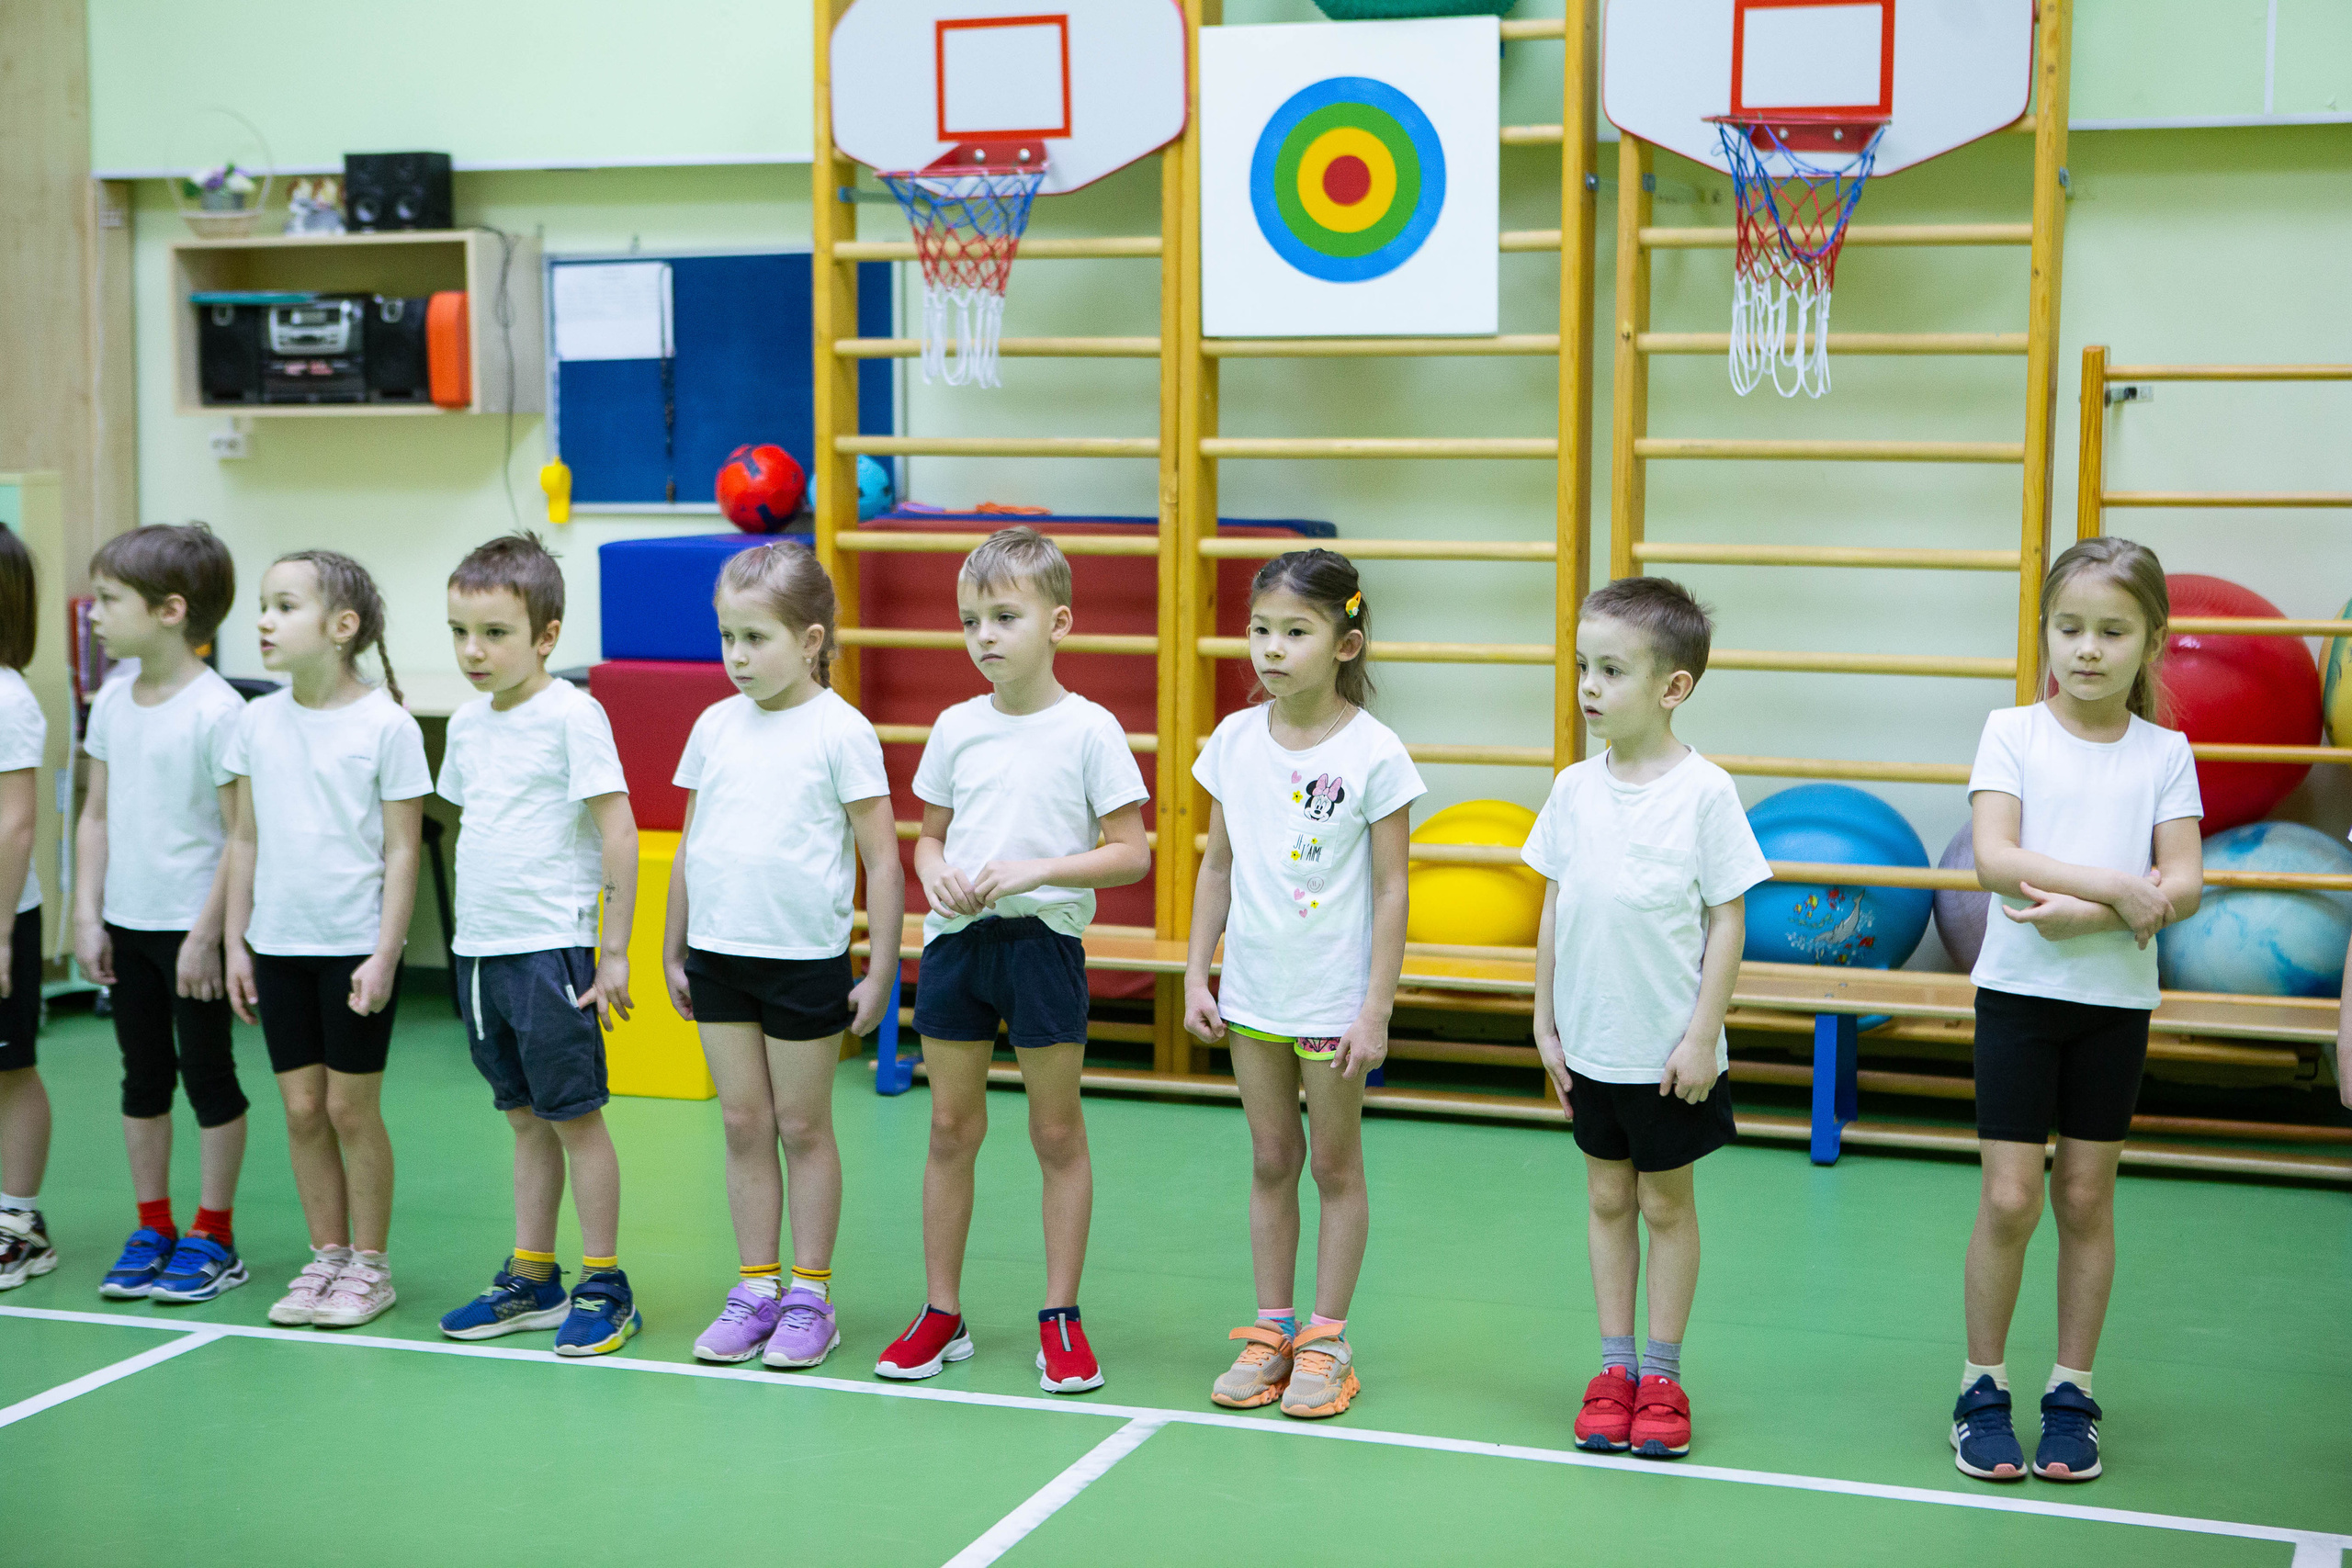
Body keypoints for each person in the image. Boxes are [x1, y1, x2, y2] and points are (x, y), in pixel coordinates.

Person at [1951, 536, 2202, 1486]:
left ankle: (2070, 1394)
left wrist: (2099, 915)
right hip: (2017, 1000)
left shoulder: (2165, 753)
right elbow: (1994, 856)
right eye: (2069, 628)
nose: (2087, 648)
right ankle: (1980, 1389)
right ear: (2046, 633)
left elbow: (2182, 883)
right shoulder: (2010, 731)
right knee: (2011, 1198)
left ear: (2151, 640)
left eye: (2111, 630)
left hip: (2113, 1007)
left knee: (2085, 1198)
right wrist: (2111, 891)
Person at [876, 526, 1149, 1393]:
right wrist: (936, 880)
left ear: (1058, 621)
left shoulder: (1091, 729)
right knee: (951, 1128)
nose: (984, 635)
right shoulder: (956, 727)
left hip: (1044, 948)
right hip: (958, 946)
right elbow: (927, 841)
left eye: (1004, 615)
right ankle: (942, 1311)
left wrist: (1034, 869)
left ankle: (1061, 1315)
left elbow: (1130, 852)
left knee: (1056, 1131)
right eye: (970, 620)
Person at [1525, 576, 1770, 1461]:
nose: (1590, 685)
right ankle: (1614, 1366)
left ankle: (1663, 1375)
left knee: (1665, 1203)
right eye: (1584, 666)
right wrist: (1544, 1023)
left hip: (1669, 1051)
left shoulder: (1706, 792)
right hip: (1589, 1044)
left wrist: (1703, 1034)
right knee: (1604, 1196)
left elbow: (1729, 918)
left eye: (1613, 670)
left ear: (1674, 687)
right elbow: (1556, 907)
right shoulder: (1572, 787)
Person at [1183, 549, 1422, 1420]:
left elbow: (1395, 887)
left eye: (1296, 631)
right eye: (1260, 630)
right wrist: (1196, 970)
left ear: (1346, 642)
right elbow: (1218, 864)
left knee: (1334, 1163)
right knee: (1270, 1158)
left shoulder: (1377, 752)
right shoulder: (1233, 740)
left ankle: (1327, 1339)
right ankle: (1271, 1328)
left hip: (1332, 1002)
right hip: (1253, 996)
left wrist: (1376, 1006)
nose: (1271, 649)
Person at [666, 542, 901, 1371]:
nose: (737, 656)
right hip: (719, 956)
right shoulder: (713, 726)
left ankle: (810, 1294)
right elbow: (693, 843)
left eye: (756, 637)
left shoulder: (843, 731)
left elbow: (881, 858)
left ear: (810, 640)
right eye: (727, 636)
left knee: (802, 1125)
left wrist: (878, 969)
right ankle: (756, 1286)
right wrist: (672, 949)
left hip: (804, 959)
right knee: (742, 1123)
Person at [434, 534, 644, 1356]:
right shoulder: (464, 721)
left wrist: (614, 947)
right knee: (524, 1119)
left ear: (546, 636)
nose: (472, 651)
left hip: (551, 949)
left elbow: (618, 830)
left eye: (493, 633)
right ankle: (532, 1275)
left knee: (575, 1118)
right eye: (459, 631)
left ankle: (605, 1281)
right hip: (480, 952)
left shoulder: (573, 713)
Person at [223, 550, 430, 1330]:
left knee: (350, 1108)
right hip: (277, 944)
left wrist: (385, 951)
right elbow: (242, 838)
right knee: (303, 1107)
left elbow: (402, 850)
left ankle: (370, 1266)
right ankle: (326, 1254)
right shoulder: (254, 722)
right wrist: (238, 943)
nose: (264, 621)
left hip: (355, 946)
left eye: (284, 605)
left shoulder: (388, 726)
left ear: (341, 628)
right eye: (264, 605)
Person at [74, 525, 252, 1303]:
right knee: (141, 1077)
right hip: (126, 923)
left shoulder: (218, 711)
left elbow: (241, 834)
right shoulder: (111, 699)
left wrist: (209, 934)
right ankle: (154, 1224)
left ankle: (214, 1231)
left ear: (172, 610)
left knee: (208, 1077)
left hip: (192, 932)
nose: (95, 615)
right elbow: (95, 816)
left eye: (109, 599)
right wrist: (86, 913)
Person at [0, 525, 53, 1292]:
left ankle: (19, 1222)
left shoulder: (9, 696)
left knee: (10, 1069)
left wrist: (2, 933)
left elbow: (14, 821)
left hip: (4, 913)